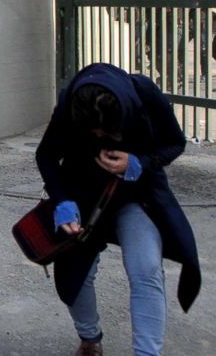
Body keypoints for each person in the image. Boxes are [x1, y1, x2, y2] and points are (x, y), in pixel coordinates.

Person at [35, 63, 201, 356]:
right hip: (83, 201)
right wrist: (62, 201)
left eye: (106, 129)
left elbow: (175, 143)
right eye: (92, 130)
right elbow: (46, 154)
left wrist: (138, 163)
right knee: (75, 273)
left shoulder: (143, 94)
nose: (99, 135)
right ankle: (89, 338)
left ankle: (147, 353)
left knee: (146, 269)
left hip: (136, 197)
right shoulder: (70, 102)